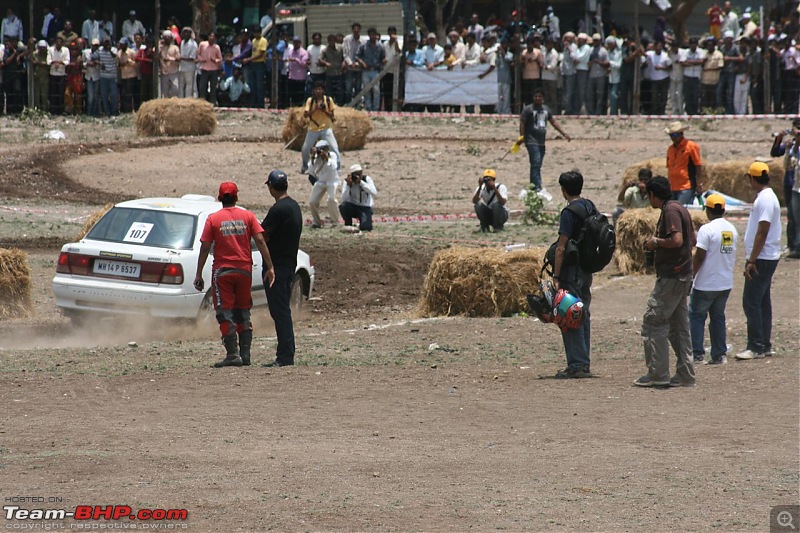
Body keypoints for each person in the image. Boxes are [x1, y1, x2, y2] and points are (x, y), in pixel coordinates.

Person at [194, 182, 275, 368]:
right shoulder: (248, 216)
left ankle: (232, 355)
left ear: (220, 198)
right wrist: (270, 266)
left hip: (223, 271)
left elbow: (205, 246)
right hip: (244, 271)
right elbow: (261, 241)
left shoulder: (213, 219)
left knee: (224, 313)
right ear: (236, 197)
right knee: (243, 311)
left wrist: (198, 274)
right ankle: (245, 355)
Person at [634, 175, 697, 388]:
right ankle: (685, 374)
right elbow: (693, 240)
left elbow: (677, 240)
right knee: (679, 326)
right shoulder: (679, 208)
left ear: (653, 195)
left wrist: (655, 243)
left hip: (672, 276)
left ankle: (657, 374)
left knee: (654, 321)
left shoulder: (669, 211)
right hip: (683, 275)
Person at [550, 170, 596, 379]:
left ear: (564, 189)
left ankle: (577, 364)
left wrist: (556, 276)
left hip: (572, 270)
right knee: (582, 312)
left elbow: (561, 247)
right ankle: (583, 362)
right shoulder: (589, 206)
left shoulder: (569, 213)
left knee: (569, 314)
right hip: (586, 268)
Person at [736, 162, 782, 360]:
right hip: (767, 256)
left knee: (751, 301)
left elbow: (762, 231)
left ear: (752, 178)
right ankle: (764, 344)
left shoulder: (764, 199)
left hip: (762, 257)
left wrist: (752, 260)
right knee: (763, 301)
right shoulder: (768, 197)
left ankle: (755, 346)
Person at [260, 170, 303, 367]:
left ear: (271, 186)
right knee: (282, 311)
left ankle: (285, 357)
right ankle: (286, 354)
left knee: (280, 313)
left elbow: (263, 235)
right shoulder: (294, 206)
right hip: (289, 265)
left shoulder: (278, 210)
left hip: (275, 268)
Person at [690, 194, 738, 365]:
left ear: (708, 211)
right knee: (718, 317)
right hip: (724, 283)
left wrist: (691, 275)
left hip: (706, 283)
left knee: (697, 316)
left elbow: (699, 256)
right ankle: (719, 354)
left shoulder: (706, 229)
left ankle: (697, 354)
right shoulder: (732, 229)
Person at [516, 89, 571, 191]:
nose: (537, 98)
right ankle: (537, 186)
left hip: (541, 141)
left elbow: (553, 122)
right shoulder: (528, 109)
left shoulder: (546, 110)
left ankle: (533, 185)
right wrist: (521, 136)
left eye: (539, 96)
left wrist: (564, 133)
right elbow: (522, 122)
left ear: (543, 98)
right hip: (531, 141)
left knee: (537, 164)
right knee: (536, 162)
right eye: (536, 96)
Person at [771, 118, 800, 258]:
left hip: (797, 184)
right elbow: (776, 152)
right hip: (790, 183)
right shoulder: (792, 144)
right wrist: (779, 139)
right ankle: (792, 244)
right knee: (791, 215)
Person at [301, 82, 340, 175]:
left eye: (320, 89)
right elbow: (305, 114)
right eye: (316, 89)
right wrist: (315, 109)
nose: (318, 91)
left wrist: (324, 110)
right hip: (313, 128)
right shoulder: (310, 101)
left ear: (323, 90)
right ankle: (305, 166)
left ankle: (337, 168)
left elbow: (332, 115)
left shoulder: (328, 100)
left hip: (326, 128)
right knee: (305, 149)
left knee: (334, 148)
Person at [665, 121, 704, 204]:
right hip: (673, 187)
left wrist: (699, 184)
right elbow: (669, 168)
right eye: (671, 135)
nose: (673, 137)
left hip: (686, 186)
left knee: (680, 210)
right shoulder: (670, 149)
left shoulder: (691, 146)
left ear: (681, 134)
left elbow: (698, 166)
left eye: (675, 135)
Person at [308, 139, 340, 228]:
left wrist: (326, 158)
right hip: (321, 181)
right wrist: (313, 157)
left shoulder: (332, 155)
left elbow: (334, 167)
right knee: (312, 201)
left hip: (332, 181)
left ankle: (335, 221)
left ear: (327, 149)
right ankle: (316, 222)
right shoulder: (316, 158)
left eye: (323, 149)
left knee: (331, 200)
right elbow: (311, 171)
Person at [340, 163, 378, 231]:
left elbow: (374, 192)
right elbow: (343, 199)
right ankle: (348, 224)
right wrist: (348, 185)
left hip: (365, 207)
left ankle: (362, 223)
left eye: (360, 174)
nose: (358, 176)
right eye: (356, 174)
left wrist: (361, 183)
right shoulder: (347, 181)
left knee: (366, 228)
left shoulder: (366, 179)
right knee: (344, 206)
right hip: (353, 206)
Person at [356, 28, 385, 111]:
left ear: (376, 35)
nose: (372, 36)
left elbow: (383, 57)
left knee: (376, 90)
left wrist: (382, 63)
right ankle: (368, 107)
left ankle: (376, 108)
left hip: (375, 70)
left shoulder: (380, 46)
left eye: (374, 34)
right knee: (366, 89)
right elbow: (357, 56)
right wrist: (362, 63)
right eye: (371, 34)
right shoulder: (363, 45)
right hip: (366, 70)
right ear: (369, 35)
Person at [196, 32, 223, 105]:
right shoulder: (202, 45)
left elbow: (220, 59)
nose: (212, 37)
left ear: (215, 39)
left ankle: (212, 103)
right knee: (202, 86)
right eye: (210, 36)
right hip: (204, 68)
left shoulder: (217, 47)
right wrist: (202, 59)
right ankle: (202, 103)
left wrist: (215, 60)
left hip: (214, 69)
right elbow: (198, 54)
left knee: (213, 87)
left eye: (213, 36)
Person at [48, 36, 69, 115]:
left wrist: (59, 63)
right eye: (57, 42)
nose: (59, 43)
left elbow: (67, 61)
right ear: (55, 42)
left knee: (61, 93)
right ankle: (53, 110)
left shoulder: (66, 50)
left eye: (60, 42)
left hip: (61, 74)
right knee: (53, 93)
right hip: (53, 74)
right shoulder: (51, 49)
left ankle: (60, 110)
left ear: (62, 43)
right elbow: (48, 61)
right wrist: (55, 62)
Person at [159, 31, 180, 98]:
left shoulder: (175, 48)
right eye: (165, 37)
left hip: (173, 72)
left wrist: (170, 59)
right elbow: (156, 56)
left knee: (175, 89)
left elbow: (178, 59)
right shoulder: (160, 47)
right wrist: (159, 45)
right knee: (164, 92)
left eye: (168, 38)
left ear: (171, 39)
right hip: (164, 72)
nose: (167, 39)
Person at [178, 27, 198, 98]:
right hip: (181, 67)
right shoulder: (182, 42)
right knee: (181, 85)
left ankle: (187, 99)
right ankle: (180, 99)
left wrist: (181, 58)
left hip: (189, 68)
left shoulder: (193, 44)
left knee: (189, 85)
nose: (186, 34)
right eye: (185, 32)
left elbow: (192, 58)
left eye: (188, 32)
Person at [31, 40, 49, 112]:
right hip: (37, 76)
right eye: (40, 47)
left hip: (45, 76)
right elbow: (32, 62)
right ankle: (37, 109)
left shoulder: (48, 54)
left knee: (44, 94)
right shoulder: (34, 54)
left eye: (43, 47)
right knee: (36, 95)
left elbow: (48, 63)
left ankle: (45, 109)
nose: (42, 49)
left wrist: (38, 63)